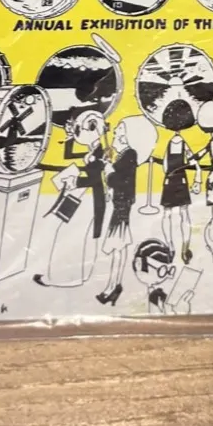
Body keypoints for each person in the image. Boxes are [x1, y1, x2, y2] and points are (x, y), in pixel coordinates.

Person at [34, 109, 109, 288]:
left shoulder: (101, 152)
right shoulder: (95, 148)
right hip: (86, 195)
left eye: (77, 129)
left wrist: (75, 181)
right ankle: (78, 275)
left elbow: (95, 179)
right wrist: (68, 137)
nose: (76, 134)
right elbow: (69, 155)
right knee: (78, 233)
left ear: (92, 128)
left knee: (70, 232)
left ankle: (66, 278)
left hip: (91, 197)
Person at [96, 115, 157, 306]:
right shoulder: (124, 155)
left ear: (128, 135)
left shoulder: (130, 155)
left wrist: (108, 170)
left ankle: (112, 287)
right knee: (118, 247)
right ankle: (114, 285)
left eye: (120, 129)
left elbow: (119, 181)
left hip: (122, 207)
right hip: (120, 204)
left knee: (117, 246)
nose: (115, 132)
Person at [160, 98, 202, 266]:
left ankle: (170, 247)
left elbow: (164, 166)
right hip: (182, 180)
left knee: (167, 214)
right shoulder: (184, 144)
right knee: (184, 213)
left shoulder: (169, 144)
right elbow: (195, 164)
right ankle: (185, 248)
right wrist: (197, 180)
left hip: (169, 180)